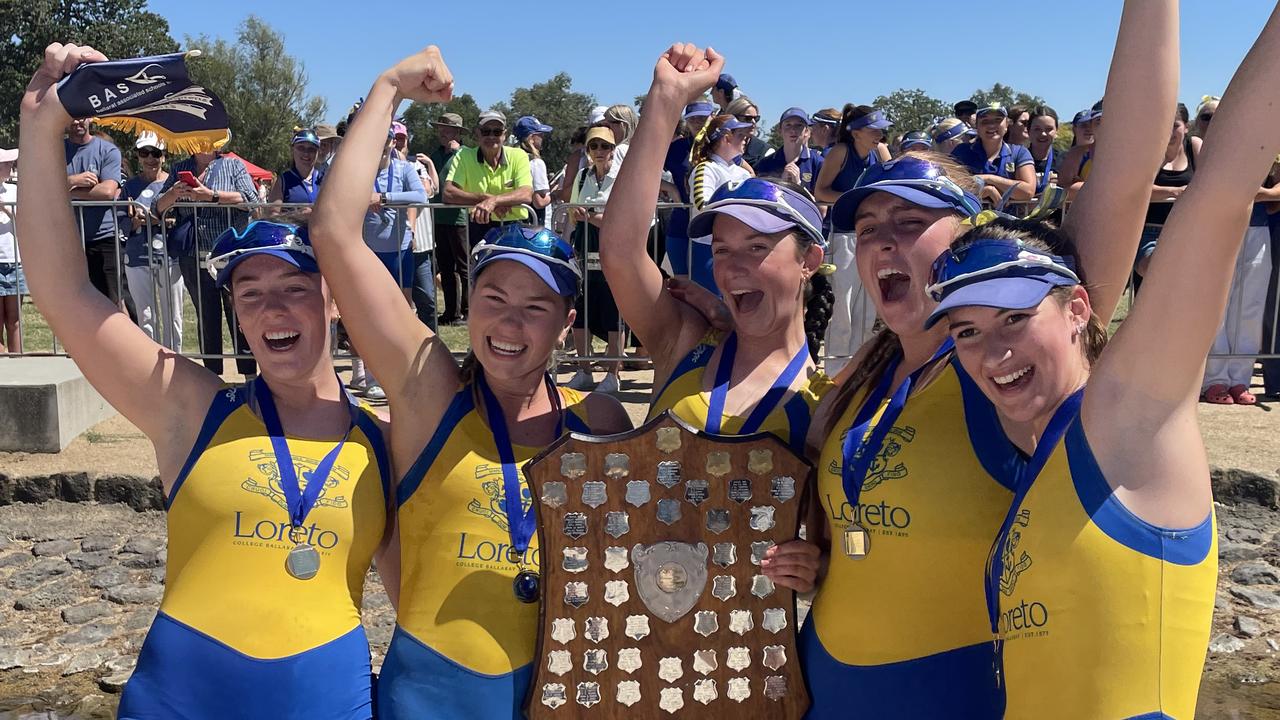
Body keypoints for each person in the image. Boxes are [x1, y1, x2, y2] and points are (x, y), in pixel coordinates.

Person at [804, 2, 1177, 714]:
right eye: (871, 228)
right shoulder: (865, 378)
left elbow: (1126, 173)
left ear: (967, 237)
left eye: (911, 223)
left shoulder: (1002, 369)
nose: (883, 241)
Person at [19, 43, 394, 717]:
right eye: (249, 294)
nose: (273, 307)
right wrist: (40, 124)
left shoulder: (392, 445)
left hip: (324, 700)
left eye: (294, 287)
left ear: (334, 300)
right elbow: (62, 289)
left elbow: (426, 611)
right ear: (237, 318)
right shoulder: (190, 407)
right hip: (179, 700)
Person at [923, 8, 1280, 714]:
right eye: (965, 332)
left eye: (1017, 319)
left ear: (1080, 309)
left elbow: (1221, 190)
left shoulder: (1129, 420)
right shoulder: (1036, 453)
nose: (992, 352)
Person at [306, 45, 631, 717]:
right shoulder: (430, 395)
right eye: (493, 299)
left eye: (535, 306)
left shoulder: (600, 422)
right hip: (431, 698)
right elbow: (336, 232)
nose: (509, 322)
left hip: (560, 697)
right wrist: (389, 87)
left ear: (568, 322)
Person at [600, 42, 826, 605]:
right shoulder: (686, 341)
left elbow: (832, 544)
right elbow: (623, 251)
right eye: (722, 249)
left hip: (743, 655)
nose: (732, 266)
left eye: (756, 246)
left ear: (810, 262)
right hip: (639, 635)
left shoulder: (829, 399)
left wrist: (815, 566)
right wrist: (665, 101)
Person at [352, 124, 429, 400]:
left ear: (392, 142)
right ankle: (370, 374)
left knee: (402, 311)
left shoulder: (405, 168)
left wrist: (383, 197)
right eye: (377, 138)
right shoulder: (360, 169)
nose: (382, 144)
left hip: (399, 250)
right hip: (367, 250)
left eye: (387, 139)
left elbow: (420, 196)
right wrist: (365, 197)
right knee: (368, 313)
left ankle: (402, 371)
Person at [815, 104, 894, 372]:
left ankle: (858, 371)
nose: (879, 135)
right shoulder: (840, 152)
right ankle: (834, 372)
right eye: (874, 129)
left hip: (871, 235)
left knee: (868, 309)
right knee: (842, 309)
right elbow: (821, 191)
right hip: (843, 237)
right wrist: (855, 201)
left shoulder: (881, 152)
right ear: (856, 131)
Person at [565, 126, 630, 394]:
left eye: (604, 146)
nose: (599, 152)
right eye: (594, 147)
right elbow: (571, 212)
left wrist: (590, 215)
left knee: (613, 311)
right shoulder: (582, 176)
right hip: (585, 247)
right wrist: (585, 214)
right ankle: (584, 369)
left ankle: (613, 374)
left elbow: (620, 219)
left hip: (613, 250)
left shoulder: (623, 177)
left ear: (613, 148)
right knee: (582, 310)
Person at [120, 132, 183, 350]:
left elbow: (181, 219)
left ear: (164, 156)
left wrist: (150, 219)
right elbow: (122, 221)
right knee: (145, 315)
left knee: (173, 315)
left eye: (155, 153)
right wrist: (141, 222)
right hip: (137, 256)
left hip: (169, 256)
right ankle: (149, 365)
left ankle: (176, 363)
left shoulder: (174, 185)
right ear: (137, 156)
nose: (150, 158)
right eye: (144, 153)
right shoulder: (129, 187)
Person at [442, 110, 534, 253]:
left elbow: (526, 193)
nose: (491, 136)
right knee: (482, 273)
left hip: (515, 227)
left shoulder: (518, 155)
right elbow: (448, 193)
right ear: (477, 133)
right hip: (479, 226)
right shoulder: (464, 156)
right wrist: (486, 199)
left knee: (514, 274)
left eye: (497, 132)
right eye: (486, 131)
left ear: (505, 134)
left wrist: (494, 202)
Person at [685, 113, 755, 292]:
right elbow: (702, 204)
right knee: (710, 304)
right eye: (740, 135)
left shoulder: (743, 173)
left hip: (738, 247)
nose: (745, 139)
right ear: (726, 137)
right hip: (707, 248)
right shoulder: (706, 169)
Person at [65, 116, 127, 310]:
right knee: (78, 303)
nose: (77, 123)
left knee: (114, 302)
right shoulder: (54, 150)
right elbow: (40, 186)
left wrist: (65, 190)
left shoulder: (107, 150)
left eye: (81, 118)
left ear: (90, 119)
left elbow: (108, 192)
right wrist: (73, 180)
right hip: (69, 240)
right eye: (72, 119)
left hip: (104, 238)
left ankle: (124, 340)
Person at [1135, 103, 1200, 281]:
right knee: (1155, 270)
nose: (1169, 132)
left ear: (1187, 127)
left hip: (1187, 230)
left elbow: (1207, 183)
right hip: (1148, 233)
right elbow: (1138, 190)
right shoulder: (1148, 152)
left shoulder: (1194, 146)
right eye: (1164, 125)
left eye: (1175, 125)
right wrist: (1177, 191)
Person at [661, 101, 714, 278]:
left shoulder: (721, 145)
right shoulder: (676, 148)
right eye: (693, 119)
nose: (698, 123)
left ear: (712, 119)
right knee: (683, 284)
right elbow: (644, 171)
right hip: (680, 223)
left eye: (703, 118)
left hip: (712, 227)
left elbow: (747, 171)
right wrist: (671, 188)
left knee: (708, 285)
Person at [950, 102, 1036, 205]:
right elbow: (950, 186)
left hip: (1010, 219)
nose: (991, 125)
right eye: (985, 121)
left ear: (1007, 125)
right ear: (976, 126)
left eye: (998, 120)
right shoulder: (961, 152)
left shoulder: (1019, 153)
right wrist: (984, 191)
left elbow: (1028, 191)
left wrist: (988, 179)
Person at [429, 112, 469, 325]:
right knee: (445, 267)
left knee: (464, 266)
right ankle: (451, 312)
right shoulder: (435, 155)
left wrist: (458, 152)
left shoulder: (466, 154)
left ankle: (468, 310)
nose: (443, 133)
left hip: (460, 217)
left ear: (458, 132)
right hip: (440, 216)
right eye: (441, 129)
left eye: (448, 129)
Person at [755, 107, 824, 193]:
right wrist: (781, 185)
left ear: (806, 131)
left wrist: (798, 186)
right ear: (780, 131)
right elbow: (760, 198)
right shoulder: (766, 164)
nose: (793, 130)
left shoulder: (818, 163)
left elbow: (822, 206)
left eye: (799, 125)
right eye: (788, 125)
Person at [267, 129, 324, 208]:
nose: (306, 153)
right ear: (292, 150)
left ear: (318, 152)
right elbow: (272, 215)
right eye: (301, 148)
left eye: (312, 149)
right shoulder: (282, 181)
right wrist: (297, 215)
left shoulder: (325, 179)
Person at [0, 147, 21, 354]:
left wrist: (7, 209)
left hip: (14, 259)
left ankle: (18, 359)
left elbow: (25, 222)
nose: (10, 166)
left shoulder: (15, 190)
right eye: (5, 163)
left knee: (14, 320)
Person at [514, 115, 554, 224]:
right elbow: (539, 202)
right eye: (540, 135)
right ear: (531, 138)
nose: (542, 138)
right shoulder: (536, 163)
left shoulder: (512, 160)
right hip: (535, 224)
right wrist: (556, 194)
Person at [724, 96, 774, 167]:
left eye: (756, 118)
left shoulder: (765, 152)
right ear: (732, 118)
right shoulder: (717, 145)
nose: (753, 122)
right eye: (748, 118)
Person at [1027, 106, 1062, 194]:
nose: (1043, 134)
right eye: (1037, 129)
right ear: (1028, 131)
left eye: (1049, 129)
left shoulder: (1066, 160)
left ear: (1056, 131)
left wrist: (1063, 184)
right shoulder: (1017, 159)